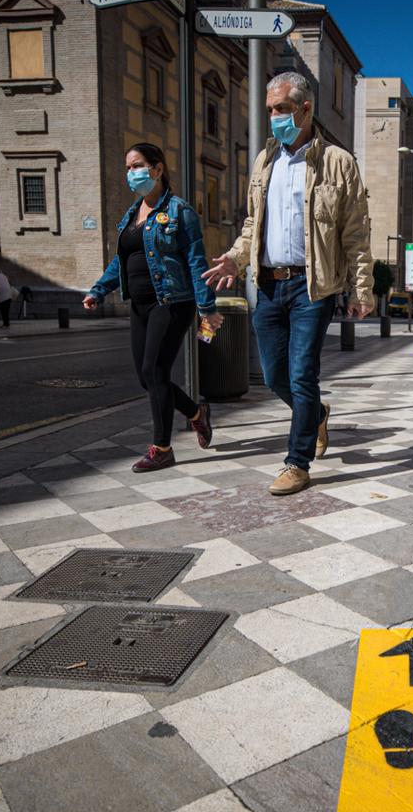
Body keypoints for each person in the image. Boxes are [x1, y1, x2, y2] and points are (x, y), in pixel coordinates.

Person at [202, 70, 374, 496]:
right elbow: (251, 225)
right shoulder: (265, 162)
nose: (274, 117)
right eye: (270, 110)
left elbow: (356, 233)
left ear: (305, 108)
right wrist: (235, 258)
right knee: (275, 375)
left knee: (301, 375)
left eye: (281, 109)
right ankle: (316, 415)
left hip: (313, 287)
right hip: (268, 285)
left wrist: (361, 289)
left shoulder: (339, 163)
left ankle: (297, 462)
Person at [85, 142, 221, 472]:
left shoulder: (179, 211)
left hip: (171, 302)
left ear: (157, 169)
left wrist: (206, 307)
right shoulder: (131, 215)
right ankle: (196, 413)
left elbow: (195, 261)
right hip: (140, 305)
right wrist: (99, 290)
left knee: (154, 371)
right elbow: (122, 261)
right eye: (128, 168)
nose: (132, 173)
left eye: (138, 166)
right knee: (147, 378)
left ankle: (162, 448)